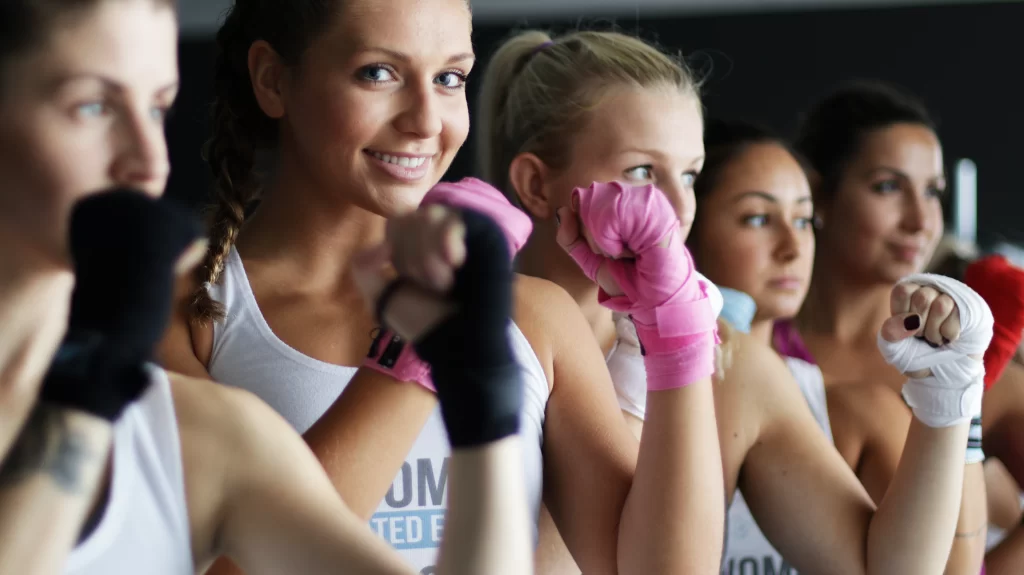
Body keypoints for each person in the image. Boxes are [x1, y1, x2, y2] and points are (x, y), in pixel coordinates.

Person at [157, 1, 726, 573]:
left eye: (449, 78)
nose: (427, 121)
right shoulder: (184, 311)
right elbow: (231, 566)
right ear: (273, 80)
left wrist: (677, 328)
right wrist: (419, 346)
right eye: (378, 73)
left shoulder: (535, 317)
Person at [0, 1, 535, 573]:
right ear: (271, 81)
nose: (148, 161)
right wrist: (83, 396)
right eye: (92, 106)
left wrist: (484, 414)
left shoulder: (205, 432)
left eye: (158, 109)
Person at [477, 28, 989, 575]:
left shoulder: (730, 360)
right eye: (642, 172)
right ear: (535, 185)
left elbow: (881, 568)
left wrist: (948, 400)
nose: (677, 206)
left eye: (690, 174)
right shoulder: (476, 336)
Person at [686, 118, 988, 573]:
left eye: (804, 220)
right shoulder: (618, 370)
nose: (792, 246)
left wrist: (956, 397)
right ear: (685, 226)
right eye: (757, 219)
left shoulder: (854, 409)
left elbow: (949, 569)